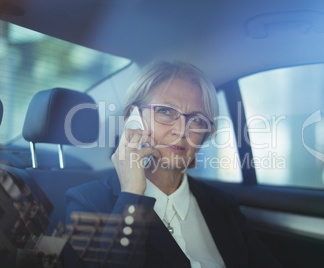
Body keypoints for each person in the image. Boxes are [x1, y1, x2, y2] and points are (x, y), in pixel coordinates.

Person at [64, 61, 281, 267]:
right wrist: (131, 195)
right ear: (134, 117)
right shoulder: (87, 203)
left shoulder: (223, 205)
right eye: (166, 111)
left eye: (196, 119)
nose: (181, 130)